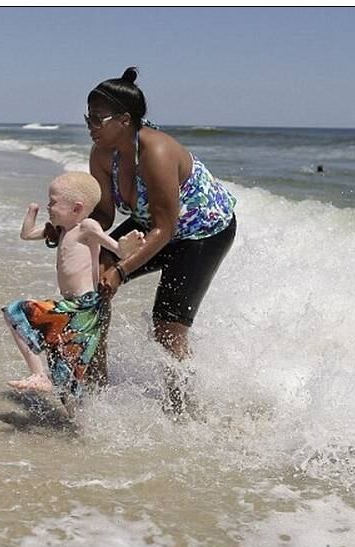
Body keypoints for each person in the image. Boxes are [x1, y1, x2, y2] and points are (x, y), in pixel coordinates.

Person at [85, 67, 237, 415]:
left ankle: (181, 407)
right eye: (87, 117)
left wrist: (121, 271)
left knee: (167, 328)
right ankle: (96, 380)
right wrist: (72, 230)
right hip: (149, 224)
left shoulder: (156, 153)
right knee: (92, 278)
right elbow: (106, 215)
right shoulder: (102, 153)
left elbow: (165, 230)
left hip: (202, 233)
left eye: (97, 118)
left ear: (124, 120)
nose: (90, 125)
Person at [2, 171, 144, 416]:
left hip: (84, 307)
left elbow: (116, 249)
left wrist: (126, 246)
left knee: (15, 311)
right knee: (64, 374)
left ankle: (38, 374)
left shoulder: (87, 227)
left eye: (53, 202)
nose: (49, 206)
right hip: (73, 306)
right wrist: (33, 211)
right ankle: (82, 427)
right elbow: (26, 235)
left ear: (77, 208)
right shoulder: (61, 230)